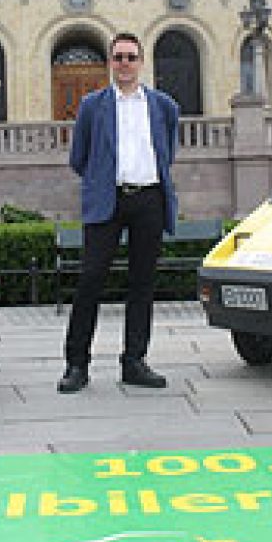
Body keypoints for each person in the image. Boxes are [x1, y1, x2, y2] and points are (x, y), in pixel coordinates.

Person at [58, 31, 179, 393]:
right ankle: (77, 365)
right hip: (107, 200)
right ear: (110, 63)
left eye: (130, 57)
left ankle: (134, 361)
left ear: (141, 62)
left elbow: (166, 152)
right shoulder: (92, 105)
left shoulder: (163, 105)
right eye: (118, 57)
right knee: (91, 280)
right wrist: (101, 180)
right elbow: (79, 157)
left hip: (149, 201)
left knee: (142, 284)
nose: (124, 63)